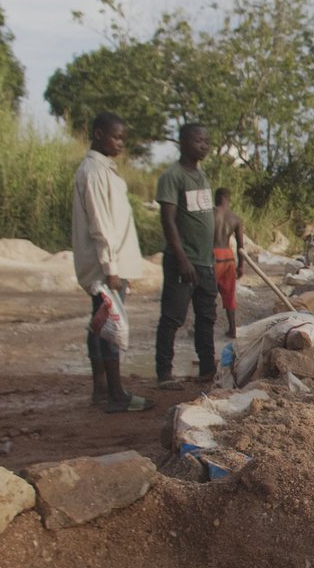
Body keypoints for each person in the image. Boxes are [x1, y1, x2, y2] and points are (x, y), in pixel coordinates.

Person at [71, 112, 153, 412]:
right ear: (97, 133)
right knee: (109, 328)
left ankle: (103, 391)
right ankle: (114, 394)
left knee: (100, 325)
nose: (120, 143)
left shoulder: (105, 169)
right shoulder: (93, 171)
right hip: (106, 266)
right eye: (115, 137)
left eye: (123, 139)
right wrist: (112, 268)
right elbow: (100, 224)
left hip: (111, 263)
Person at [154, 123, 218, 390]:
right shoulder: (172, 176)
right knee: (173, 317)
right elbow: (168, 221)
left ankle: (207, 369)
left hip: (206, 262)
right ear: (183, 143)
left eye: (206, 141)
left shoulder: (202, 177)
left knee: (207, 316)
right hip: (184, 261)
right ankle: (164, 373)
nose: (204, 145)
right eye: (198, 141)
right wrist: (181, 258)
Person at [212, 188, 245, 338]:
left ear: (216, 198)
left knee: (208, 293)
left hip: (213, 254)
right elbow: (240, 246)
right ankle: (232, 329)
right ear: (228, 199)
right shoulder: (236, 218)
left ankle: (206, 327)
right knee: (229, 295)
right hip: (228, 256)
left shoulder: (211, 213)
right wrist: (241, 266)